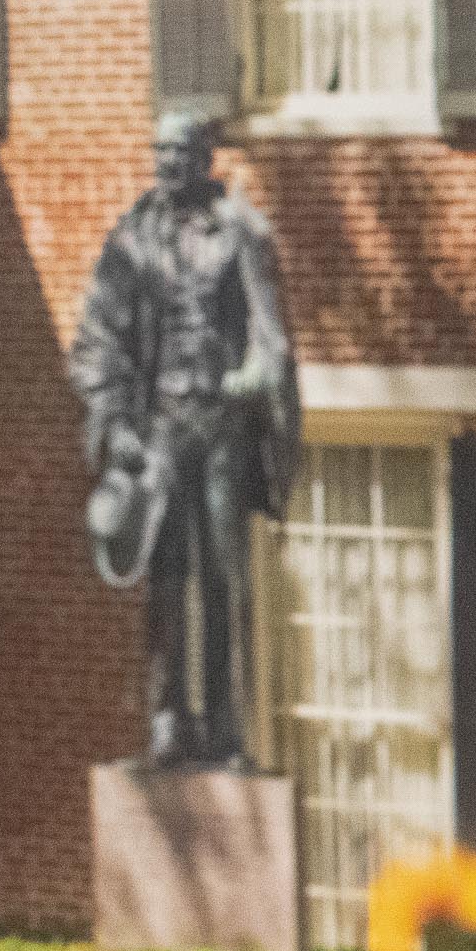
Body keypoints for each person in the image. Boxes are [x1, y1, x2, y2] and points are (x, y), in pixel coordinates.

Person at [70, 109, 301, 769]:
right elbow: (97, 345)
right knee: (166, 577)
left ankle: (226, 726)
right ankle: (170, 717)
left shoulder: (242, 232)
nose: (166, 163)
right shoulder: (132, 241)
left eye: (178, 152)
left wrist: (252, 376)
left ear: (205, 159)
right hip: (164, 430)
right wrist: (117, 427)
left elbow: (269, 337)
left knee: (223, 577)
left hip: (222, 426)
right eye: (159, 151)